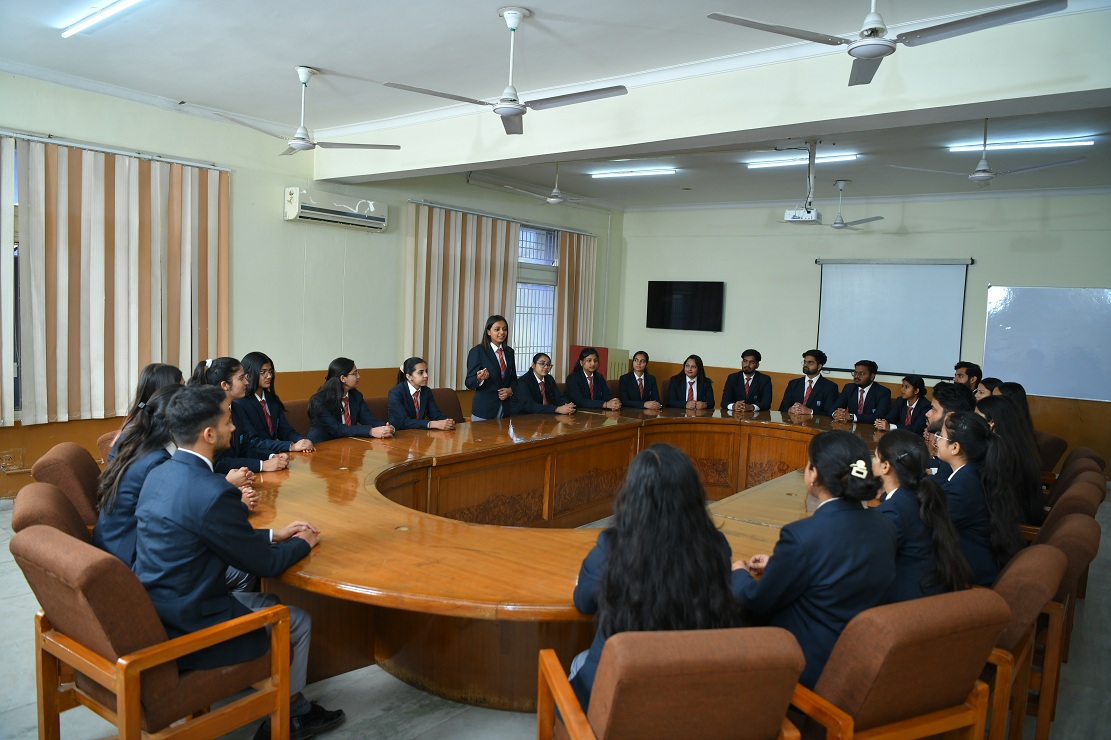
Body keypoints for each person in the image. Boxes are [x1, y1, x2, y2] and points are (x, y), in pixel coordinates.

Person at [132, 384, 344, 739]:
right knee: (298, 620)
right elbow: (265, 565)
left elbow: (208, 535)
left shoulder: (159, 472)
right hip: (193, 623)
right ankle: (289, 717)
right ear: (209, 433)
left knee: (270, 602)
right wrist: (304, 542)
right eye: (229, 421)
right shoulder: (214, 491)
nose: (234, 428)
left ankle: (292, 706)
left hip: (161, 606)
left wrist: (274, 534)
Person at [570, 444, 741, 711]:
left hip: (623, 694)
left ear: (632, 495)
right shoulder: (716, 547)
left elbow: (582, 602)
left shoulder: (612, 546)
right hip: (692, 690)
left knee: (577, 663)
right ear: (693, 495)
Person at [731, 429, 896, 688]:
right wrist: (779, 564)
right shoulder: (885, 524)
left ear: (814, 474)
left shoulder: (802, 535)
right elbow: (836, 567)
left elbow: (756, 602)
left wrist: (738, 573)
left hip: (810, 662)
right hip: (860, 655)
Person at [872, 430, 972, 602]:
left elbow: (869, 563)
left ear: (885, 466)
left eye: (875, 456)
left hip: (908, 606)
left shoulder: (894, 510)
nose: (872, 461)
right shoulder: (921, 495)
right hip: (933, 595)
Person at [93, 385, 184, 565]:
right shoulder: (157, 461)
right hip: (130, 559)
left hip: (116, 544)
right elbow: (175, 519)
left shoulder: (140, 443)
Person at [935, 411, 1024, 586]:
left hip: (969, 578)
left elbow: (928, 523)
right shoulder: (974, 472)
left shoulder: (963, 487)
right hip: (978, 561)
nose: (936, 439)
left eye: (941, 436)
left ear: (955, 447)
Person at [189, 358, 290, 475]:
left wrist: (272, 456)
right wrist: (262, 465)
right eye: (241, 378)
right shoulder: (209, 416)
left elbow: (245, 447)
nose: (247, 382)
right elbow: (218, 463)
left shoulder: (236, 409)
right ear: (225, 385)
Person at [977, 394, 1044, 526]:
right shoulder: (1017, 444)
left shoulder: (999, 452)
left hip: (1005, 528)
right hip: (1015, 520)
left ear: (992, 423)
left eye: (976, 417)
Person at [234, 351, 314, 454]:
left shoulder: (271, 398)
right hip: (257, 457)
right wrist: (291, 446)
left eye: (270, 371)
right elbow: (254, 441)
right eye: (263, 372)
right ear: (248, 374)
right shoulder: (240, 403)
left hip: (276, 455)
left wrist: (302, 441)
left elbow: (286, 431)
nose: (269, 376)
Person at [107, 362, 184, 459]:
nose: (187, 392)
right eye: (182, 387)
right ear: (166, 392)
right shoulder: (145, 435)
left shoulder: (146, 420)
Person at [307, 357, 394, 443]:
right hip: (322, 446)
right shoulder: (320, 401)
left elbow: (369, 419)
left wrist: (386, 427)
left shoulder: (356, 396)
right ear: (343, 379)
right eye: (354, 373)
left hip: (348, 445)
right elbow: (337, 429)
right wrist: (370, 431)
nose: (359, 376)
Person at [464, 314, 517, 421]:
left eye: (504, 329)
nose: (502, 332)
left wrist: (510, 390)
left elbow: (514, 378)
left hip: (505, 409)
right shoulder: (478, 351)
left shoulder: (509, 352)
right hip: (484, 409)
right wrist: (479, 379)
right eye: (497, 329)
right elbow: (469, 382)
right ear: (488, 331)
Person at [924, 381, 977, 478]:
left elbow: (940, 483)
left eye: (933, 409)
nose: (927, 414)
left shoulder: (955, 450)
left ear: (950, 416)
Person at [388, 357, 456, 430]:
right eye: (421, 372)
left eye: (426, 371)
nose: (426, 375)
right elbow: (404, 421)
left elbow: (435, 414)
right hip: (401, 435)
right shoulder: (395, 393)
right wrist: (431, 424)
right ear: (409, 376)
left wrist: (447, 422)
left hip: (419, 433)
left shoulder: (426, 391)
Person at [779, 349, 839, 416]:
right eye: (805, 362)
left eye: (810, 363)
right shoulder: (793, 384)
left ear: (819, 367)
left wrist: (810, 411)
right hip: (794, 423)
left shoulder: (830, 387)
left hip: (815, 425)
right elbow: (782, 408)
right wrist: (790, 409)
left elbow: (830, 413)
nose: (805, 365)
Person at [721, 348, 772, 413]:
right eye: (745, 361)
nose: (747, 365)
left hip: (755, 418)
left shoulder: (764, 379)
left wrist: (752, 407)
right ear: (742, 362)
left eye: (752, 362)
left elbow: (766, 404)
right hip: (735, 415)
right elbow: (724, 402)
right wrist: (733, 406)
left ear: (757, 365)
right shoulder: (732, 378)